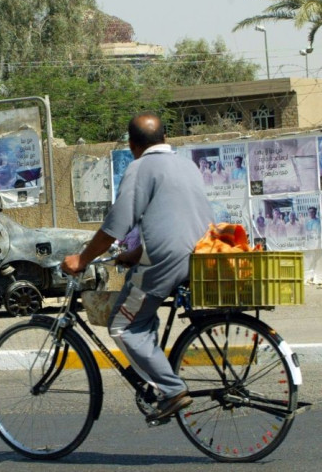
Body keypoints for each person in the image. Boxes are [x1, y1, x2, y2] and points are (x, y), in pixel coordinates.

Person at [61, 112, 213, 422]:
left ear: (132, 146)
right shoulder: (186, 165)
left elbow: (116, 224)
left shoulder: (139, 168)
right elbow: (173, 220)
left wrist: (82, 259)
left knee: (123, 326)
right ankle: (158, 375)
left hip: (164, 262)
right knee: (141, 309)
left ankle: (171, 390)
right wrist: (135, 252)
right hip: (200, 254)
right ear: (166, 139)